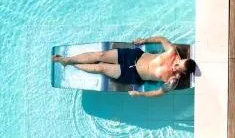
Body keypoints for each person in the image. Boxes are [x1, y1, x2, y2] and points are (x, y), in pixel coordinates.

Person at [52, 36, 196, 97]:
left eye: (178, 69)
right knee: (101, 55)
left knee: (101, 68)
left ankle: (72, 64)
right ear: (181, 59)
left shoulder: (173, 80)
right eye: (178, 64)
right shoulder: (172, 52)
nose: (175, 67)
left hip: (132, 74)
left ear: (183, 73)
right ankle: (67, 59)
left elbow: (159, 93)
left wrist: (139, 94)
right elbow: (161, 39)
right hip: (133, 56)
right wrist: (144, 40)